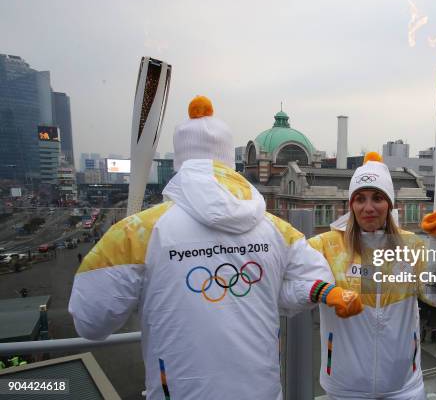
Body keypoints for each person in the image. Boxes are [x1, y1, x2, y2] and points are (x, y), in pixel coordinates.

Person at [69, 96, 363, 400]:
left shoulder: (137, 232)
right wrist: (265, 292)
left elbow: (90, 322)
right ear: (230, 161)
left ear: (180, 161)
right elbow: (317, 279)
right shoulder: (275, 228)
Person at [309, 152, 436, 399]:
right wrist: (326, 293)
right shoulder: (325, 246)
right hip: (345, 386)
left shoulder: (412, 246)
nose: (368, 207)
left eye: (377, 198)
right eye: (360, 199)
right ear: (351, 205)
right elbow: (294, 284)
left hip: (403, 384)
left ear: (389, 204)